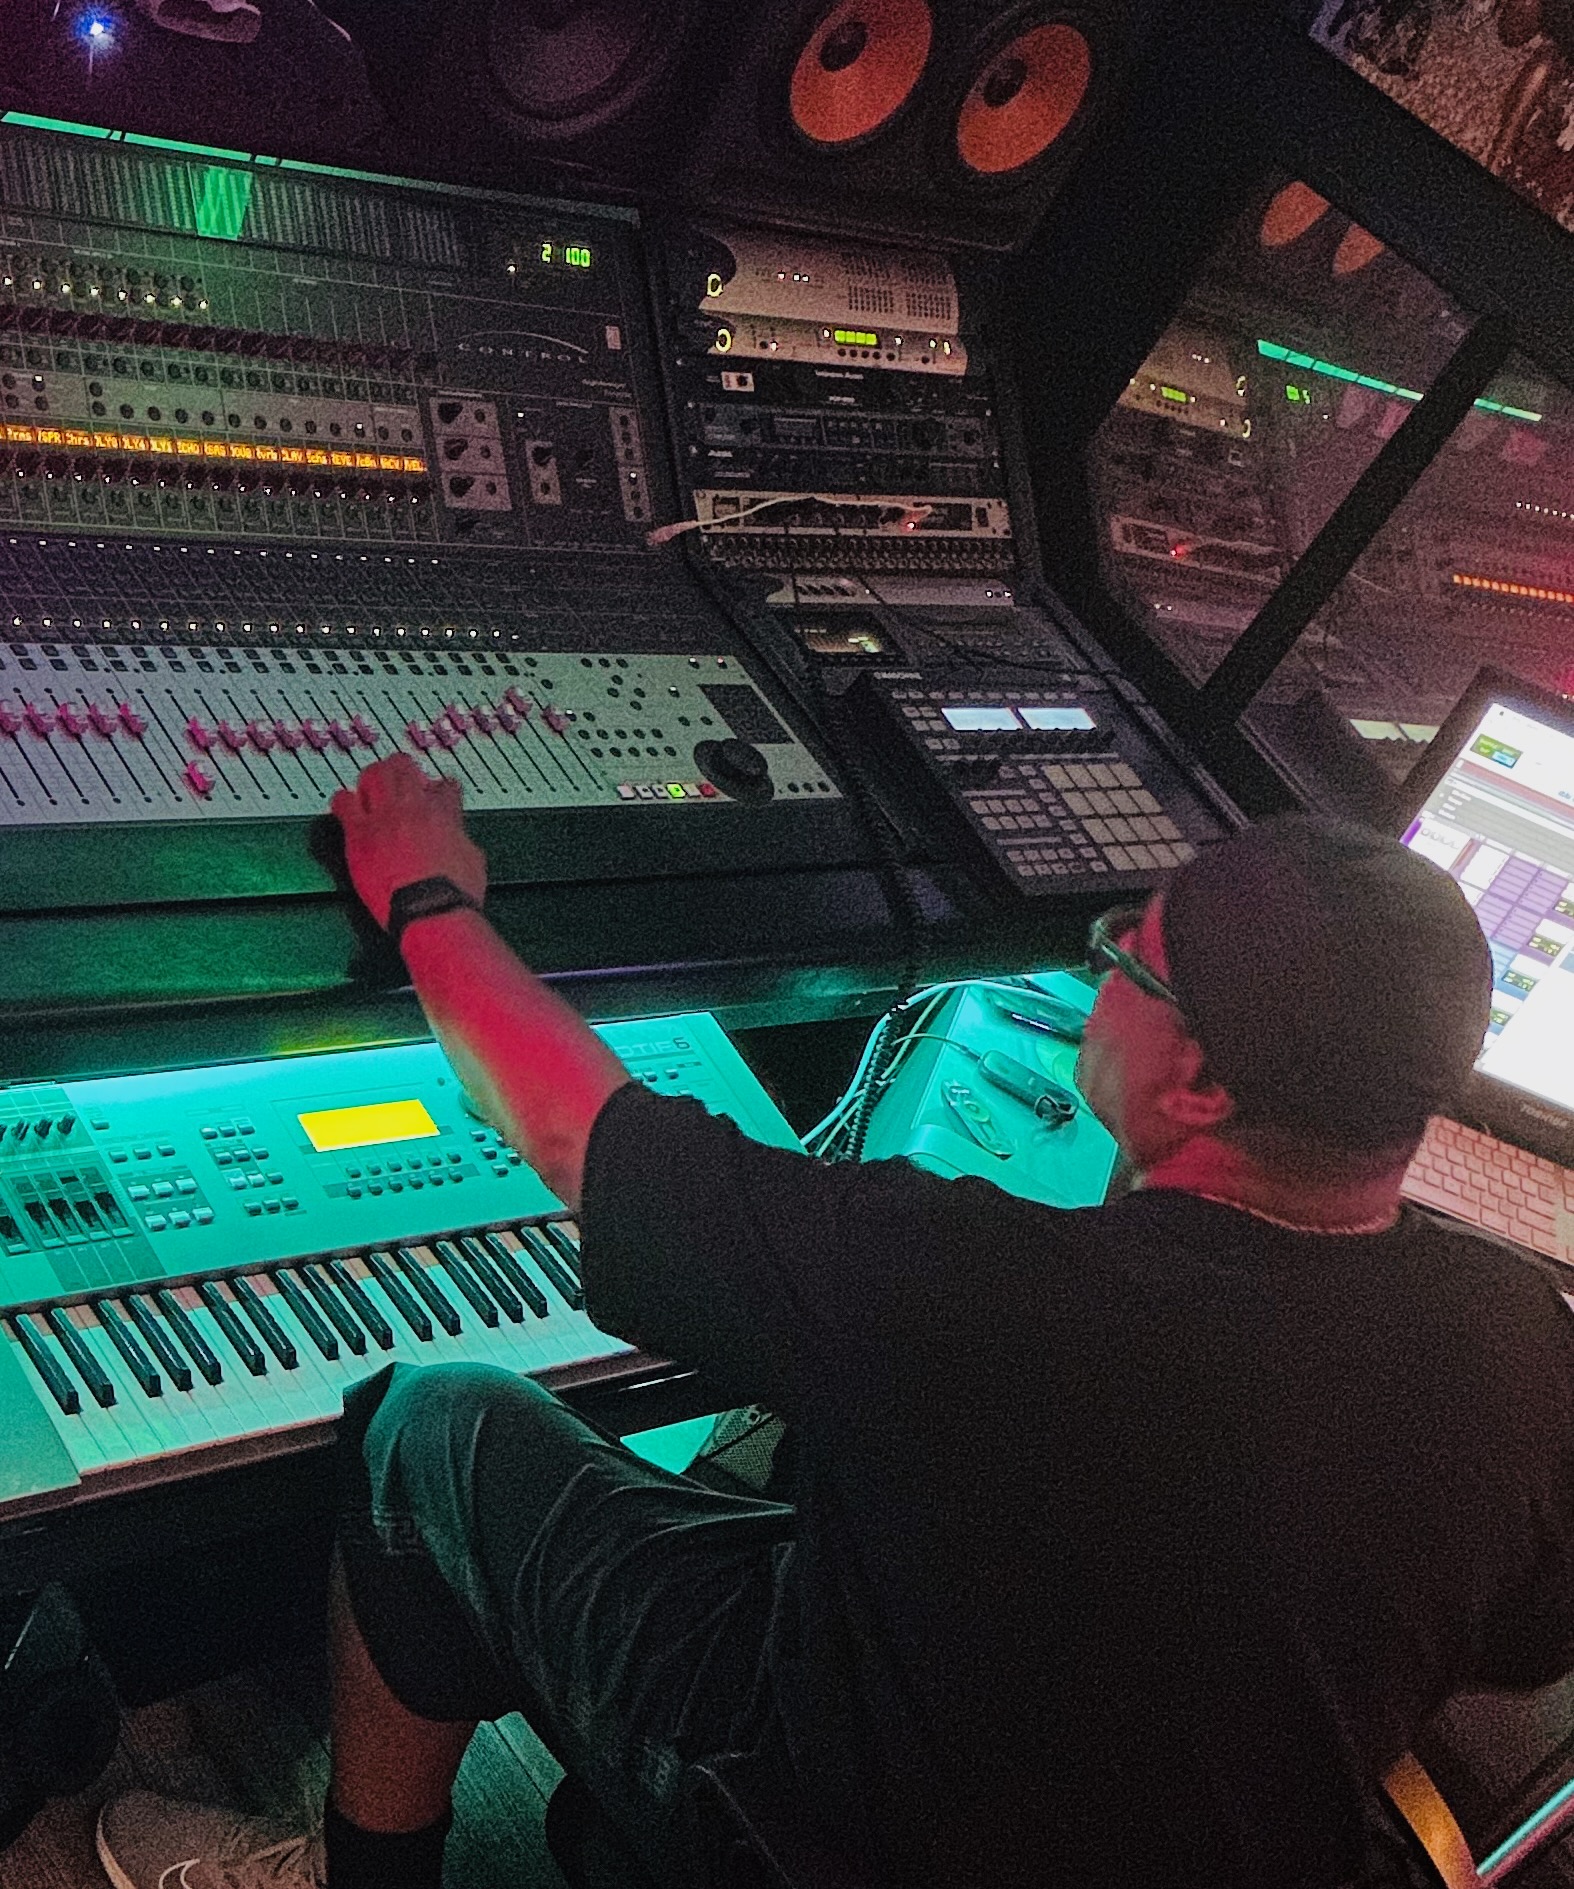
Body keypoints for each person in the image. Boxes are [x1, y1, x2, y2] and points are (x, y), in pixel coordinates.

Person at [96, 760, 1574, 1889]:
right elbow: (1520, 1643)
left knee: (430, 1425)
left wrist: (425, 894)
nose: (1098, 972)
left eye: (1128, 957)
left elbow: (572, 1128)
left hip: (819, 1833)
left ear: (1198, 1082)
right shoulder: (1518, 1329)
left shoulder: (981, 1292)